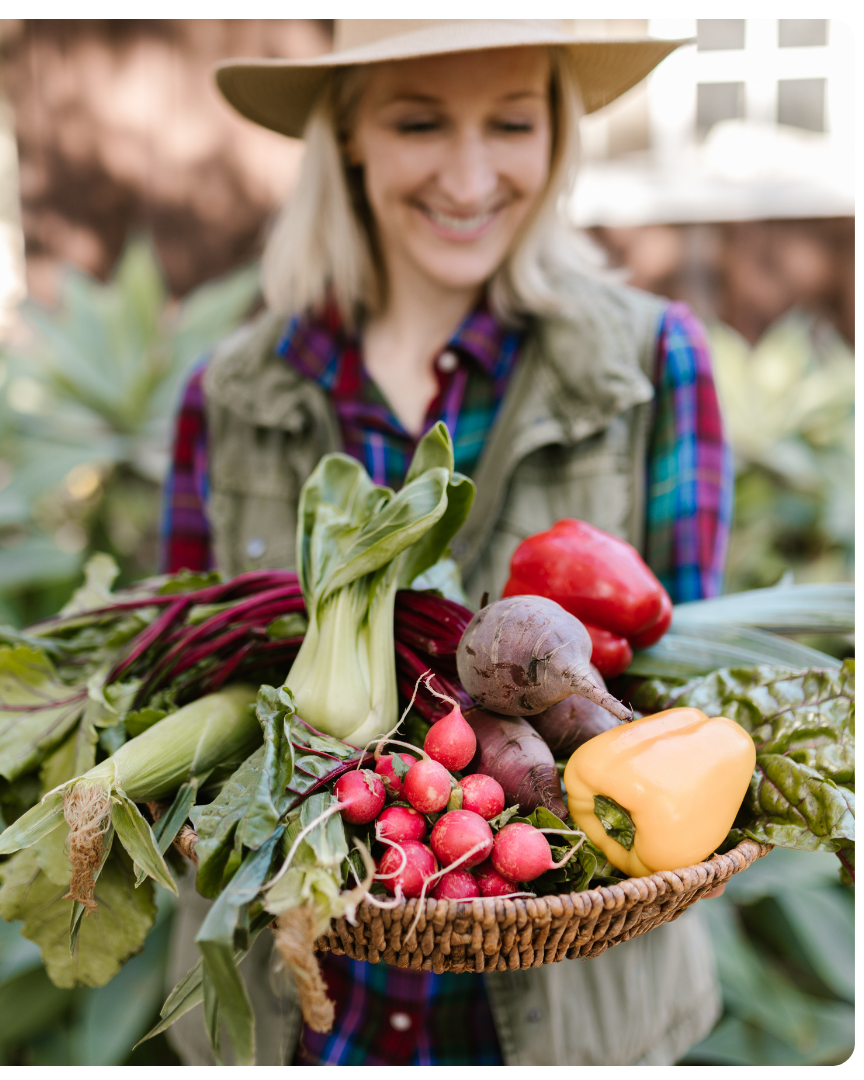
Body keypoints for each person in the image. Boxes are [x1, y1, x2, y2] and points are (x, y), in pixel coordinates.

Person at [159, 20, 733, 1067]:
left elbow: (678, 702)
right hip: (303, 1013)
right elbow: (183, 672)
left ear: (556, 136)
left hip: (573, 1021)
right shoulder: (228, 394)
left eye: (511, 121)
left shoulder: (655, 363)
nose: (470, 177)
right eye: (419, 120)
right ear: (348, 140)